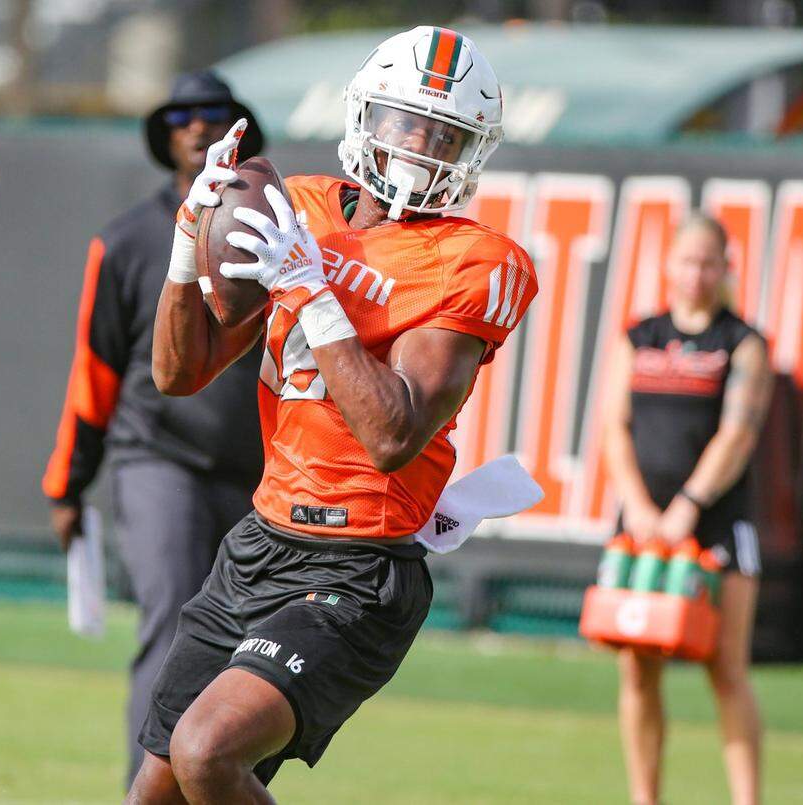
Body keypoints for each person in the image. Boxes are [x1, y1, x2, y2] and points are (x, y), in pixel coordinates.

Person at [128, 26, 537, 802]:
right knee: (151, 794)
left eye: (444, 134)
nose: (418, 148)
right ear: (363, 117)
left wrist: (312, 291)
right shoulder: (303, 207)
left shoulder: (473, 261)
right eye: (403, 123)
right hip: (258, 543)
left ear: (474, 149)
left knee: (207, 750)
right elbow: (179, 371)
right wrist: (189, 243)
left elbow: (391, 433)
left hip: (359, 568)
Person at [41, 70, 265, 786]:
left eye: (215, 114)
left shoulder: (274, 231)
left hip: (254, 472)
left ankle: (217, 789)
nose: (198, 126)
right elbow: (96, 370)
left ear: (239, 128)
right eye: (183, 116)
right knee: (174, 622)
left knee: (247, 650)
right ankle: (144, 792)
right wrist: (68, 484)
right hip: (156, 455)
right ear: (165, 135)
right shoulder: (130, 239)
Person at [602, 214, 773, 805]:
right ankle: (644, 797)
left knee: (725, 669)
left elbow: (738, 434)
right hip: (641, 525)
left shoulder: (742, 343)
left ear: (725, 268)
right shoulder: (638, 336)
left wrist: (689, 505)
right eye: (686, 261)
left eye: (708, 263)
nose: (696, 274)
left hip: (717, 524)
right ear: (668, 265)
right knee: (637, 670)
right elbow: (614, 428)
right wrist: (639, 506)